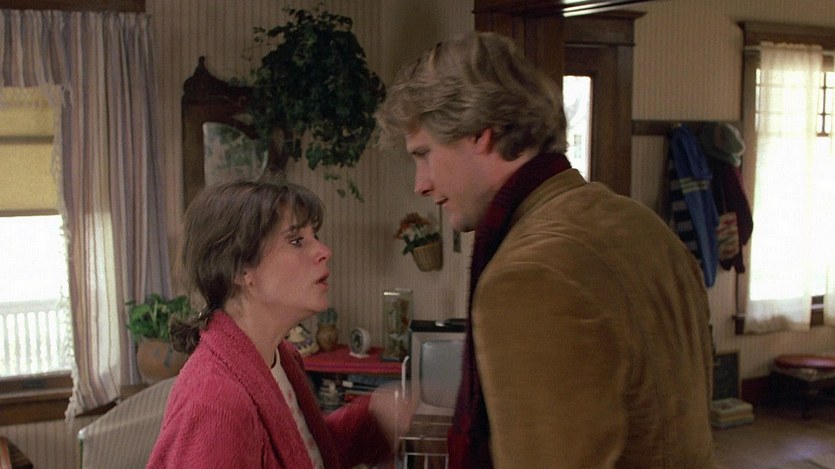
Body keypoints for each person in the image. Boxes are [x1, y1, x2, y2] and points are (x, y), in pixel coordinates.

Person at [376, 31, 715, 468]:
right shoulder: (641, 225)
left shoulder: (529, 274)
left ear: (478, 133)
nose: (420, 184)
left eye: (423, 153)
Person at [147, 178, 409, 468]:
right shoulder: (215, 402)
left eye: (314, 236)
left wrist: (376, 416)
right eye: (296, 241)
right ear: (240, 269)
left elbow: (300, 452)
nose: (324, 250)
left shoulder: (281, 359)